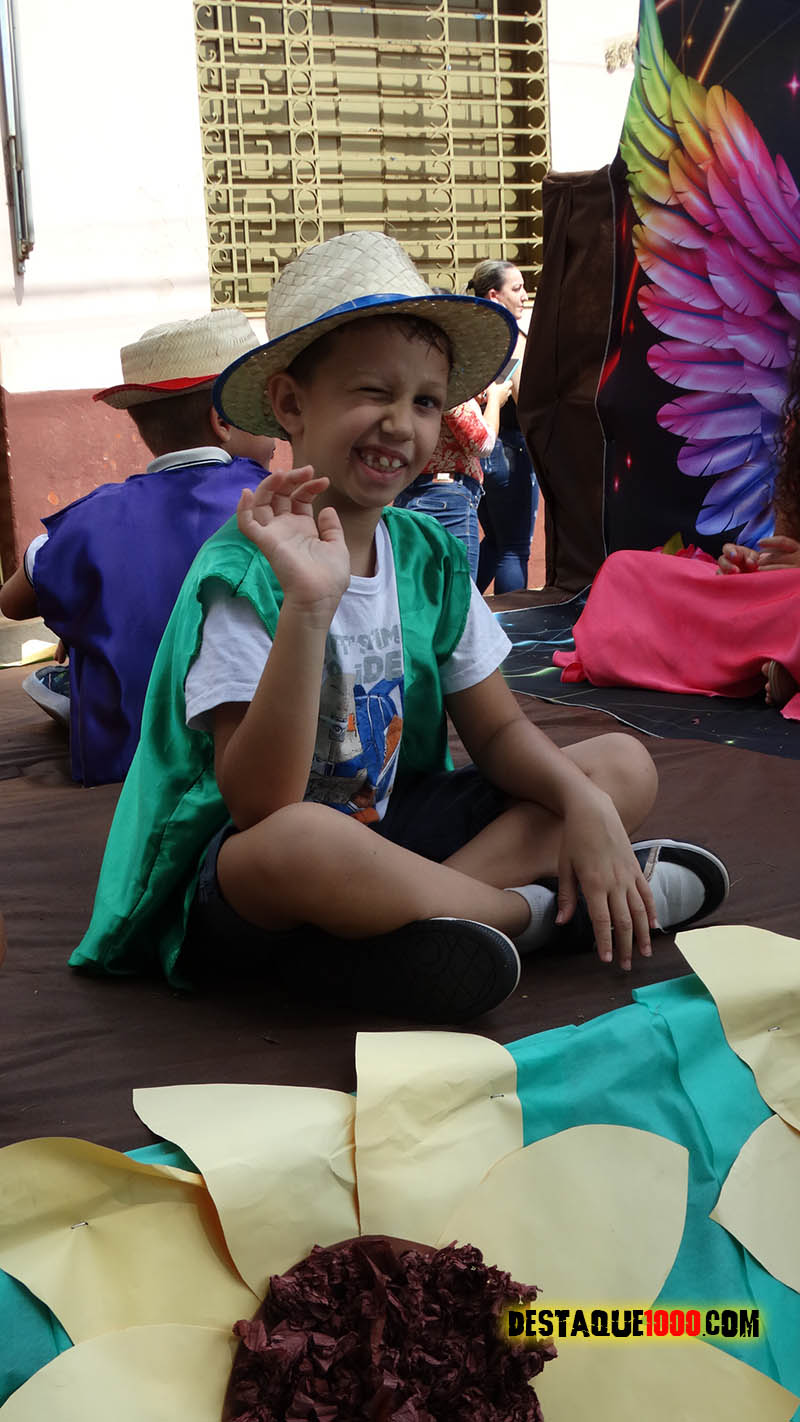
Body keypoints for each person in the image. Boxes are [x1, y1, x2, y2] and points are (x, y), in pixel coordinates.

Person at [70, 231, 729, 1024]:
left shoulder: (428, 555)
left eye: (423, 401)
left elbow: (497, 733)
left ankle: (417, 925)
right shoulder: (247, 573)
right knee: (299, 840)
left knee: (620, 767)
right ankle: (532, 915)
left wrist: (581, 803)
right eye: (372, 391)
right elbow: (258, 806)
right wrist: (309, 606)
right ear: (290, 404)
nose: (401, 424)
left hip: (393, 834)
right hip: (259, 879)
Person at [0, 311, 275, 786]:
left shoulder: (90, 519)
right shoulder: (282, 505)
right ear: (223, 421)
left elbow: (12, 601)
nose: (277, 428)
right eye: (265, 412)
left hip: (128, 774)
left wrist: (84, 610)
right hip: (257, 769)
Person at [466, 259, 539, 594]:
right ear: (494, 295)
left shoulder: (469, 333)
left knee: (496, 540)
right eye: (517, 288)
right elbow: (527, 401)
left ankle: (465, 605)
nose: (524, 296)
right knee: (514, 548)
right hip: (509, 449)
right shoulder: (512, 337)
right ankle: (512, 621)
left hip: (477, 449)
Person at [392, 384, 511, 579]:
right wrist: (495, 401)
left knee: (415, 588)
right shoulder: (447, 387)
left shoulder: (414, 384)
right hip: (445, 498)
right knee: (458, 589)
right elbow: (483, 443)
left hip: (410, 492)